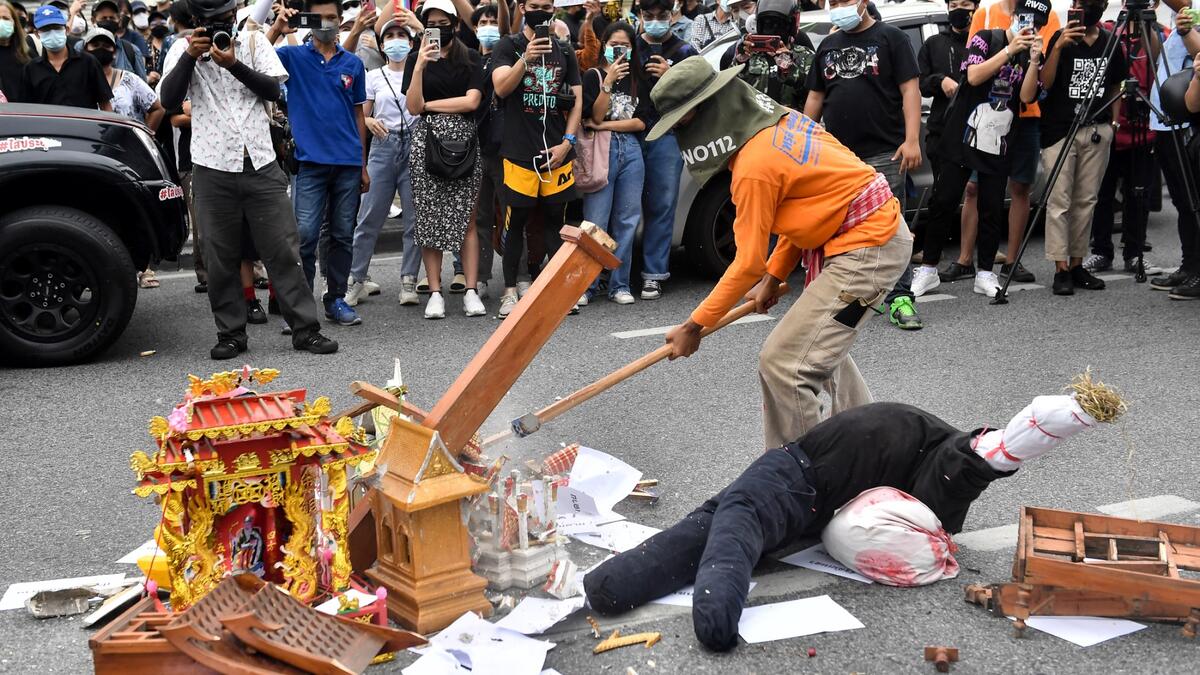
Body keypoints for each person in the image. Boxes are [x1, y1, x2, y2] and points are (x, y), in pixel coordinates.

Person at [584, 380, 1122, 651]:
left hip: (801, 485)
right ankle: (610, 587)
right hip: (801, 481)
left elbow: (988, 457)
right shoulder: (941, 466)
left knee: (732, 523)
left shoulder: (939, 479)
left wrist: (1052, 425)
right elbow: (987, 455)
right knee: (716, 526)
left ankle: (691, 608)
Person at [657, 58, 911, 448]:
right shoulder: (783, 120)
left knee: (785, 363)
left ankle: (801, 476)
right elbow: (807, 212)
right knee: (819, 349)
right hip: (867, 235)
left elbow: (746, 264)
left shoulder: (754, 166)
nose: (679, 134)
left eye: (682, 123)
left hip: (868, 245)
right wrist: (774, 278)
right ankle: (869, 446)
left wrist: (695, 327)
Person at [160, 0, 338, 359]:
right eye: (212, 22)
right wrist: (190, 58)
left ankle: (305, 330)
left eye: (226, 19)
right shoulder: (181, 50)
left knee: (284, 250)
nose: (222, 27)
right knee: (218, 257)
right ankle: (231, 334)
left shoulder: (255, 43)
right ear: (196, 22)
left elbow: (274, 91)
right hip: (211, 168)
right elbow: (168, 100)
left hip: (260, 162)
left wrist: (234, 64)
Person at [804, 0, 923, 329]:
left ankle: (900, 298)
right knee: (843, 230)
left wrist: (911, 140)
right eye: (835, 1)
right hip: (838, 158)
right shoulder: (828, 45)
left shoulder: (892, 38)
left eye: (846, 0)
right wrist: (801, 142)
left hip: (885, 152)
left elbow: (910, 90)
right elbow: (815, 97)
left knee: (890, 228)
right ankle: (851, 299)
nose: (840, 6)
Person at [912, 8, 1041, 299]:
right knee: (944, 200)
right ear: (1012, 19)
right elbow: (973, 75)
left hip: (999, 140)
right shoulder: (985, 38)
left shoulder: (1029, 54)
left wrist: (1033, 62)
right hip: (964, 134)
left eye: (1036, 24)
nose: (1029, 28)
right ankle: (929, 268)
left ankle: (985, 273)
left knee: (992, 206)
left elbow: (1027, 97)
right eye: (1025, 20)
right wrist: (1010, 50)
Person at [268, 0, 370, 328]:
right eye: (320, 17)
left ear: (341, 22)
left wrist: (363, 164)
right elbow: (256, 59)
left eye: (331, 17)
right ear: (310, 21)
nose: (326, 23)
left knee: (342, 235)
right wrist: (278, 29)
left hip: (348, 163)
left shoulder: (353, 64)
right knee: (306, 236)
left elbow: (359, 114)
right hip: (309, 162)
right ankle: (300, 308)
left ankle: (336, 299)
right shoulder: (293, 57)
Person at [491, 0, 583, 317]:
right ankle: (509, 291)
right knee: (515, 222)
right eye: (534, 5)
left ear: (554, 8)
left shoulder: (565, 51)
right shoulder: (509, 45)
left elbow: (577, 102)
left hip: (556, 153)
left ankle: (558, 292)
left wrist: (567, 144)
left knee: (556, 222)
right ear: (522, 7)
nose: (540, 10)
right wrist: (525, 59)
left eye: (546, 5)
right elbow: (501, 89)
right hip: (518, 152)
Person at [963, 0, 1060, 285]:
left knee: (1021, 186)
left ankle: (1012, 261)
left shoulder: (1047, 13)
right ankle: (964, 259)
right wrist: (1010, 48)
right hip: (987, 114)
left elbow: (1044, 74)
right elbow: (972, 69)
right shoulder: (986, 13)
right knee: (973, 187)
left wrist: (1040, 52)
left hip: (1027, 116)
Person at [405, 0, 487, 319]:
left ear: (454, 24)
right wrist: (421, 66)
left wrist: (431, 105)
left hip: (465, 143)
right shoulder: (416, 58)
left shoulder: (471, 57)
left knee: (466, 219)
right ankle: (435, 292)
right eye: (431, 23)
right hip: (425, 143)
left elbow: (472, 102)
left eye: (443, 22)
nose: (437, 28)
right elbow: (413, 107)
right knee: (429, 218)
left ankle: (470, 290)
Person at [1038, 0, 1125, 296]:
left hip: (1097, 130)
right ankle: (1060, 268)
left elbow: (1116, 84)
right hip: (1060, 130)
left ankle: (1077, 264)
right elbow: (1045, 82)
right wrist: (1060, 45)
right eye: (1079, 3)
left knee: (1086, 201)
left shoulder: (1111, 42)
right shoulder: (1060, 37)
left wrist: (1112, 124)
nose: (1085, 8)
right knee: (1059, 202)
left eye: (1091, 3)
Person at [346, 16, 423, 308]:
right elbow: (360, 116)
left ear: (411, 42)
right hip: (383, 146)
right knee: (368, 218)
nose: (395, 41)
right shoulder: (373, 75)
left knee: (413, 220)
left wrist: (416, 24)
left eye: (400, 35)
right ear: (381, 45)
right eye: (388, 36)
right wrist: (368, 119)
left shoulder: (420, 71)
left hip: (415, 144)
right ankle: (357, 279)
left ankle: (409, 281)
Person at [1084, 12, 1164, 278]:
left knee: (1137, 195)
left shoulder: (1158, 33)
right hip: (1111, 125)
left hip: (1143, 128)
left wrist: (1145, 24)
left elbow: (1156, 61)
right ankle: (1101, 251)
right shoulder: (1110, 29)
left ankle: (1134, 253)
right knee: (1102, 194)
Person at [581, 21, 648, 305]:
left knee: (627, 220)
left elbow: (640, 121)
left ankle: (619, 285)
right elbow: (593, 117)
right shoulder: (593, 76)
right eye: (614, 45)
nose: (620, 51)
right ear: (604, 46)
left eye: (626, 46)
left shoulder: (638, 79)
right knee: (596, 220)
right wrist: (607, 83)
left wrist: (606, 126)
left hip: (631, 150)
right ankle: (587, 285)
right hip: (601, 151)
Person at [637, 0, 698, 301]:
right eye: (649, 17)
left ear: (673, 16)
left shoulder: (686, 52)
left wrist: (670, 76)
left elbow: (699, 98)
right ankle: (613, 274)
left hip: (668, 136)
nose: (656, 22)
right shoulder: (627, 45)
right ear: (640, 16)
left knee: (662, 204)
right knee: (621, 209)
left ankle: (654, 274)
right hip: (627, 135)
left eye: (662, 16)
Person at [917, 0, 977, 283]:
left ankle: (974, 261)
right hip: (942, 130)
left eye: (965, 3)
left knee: (980, 194)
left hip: (979, 128)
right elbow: (920, 81)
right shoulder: (934, 43)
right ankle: (930, 264)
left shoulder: (985, 39)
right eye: (954, 3)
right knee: (944, 198)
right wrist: (940, 80)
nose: (959, 9)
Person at [1155, 8, 1200, 298]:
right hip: (1171, 121)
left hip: (1188, 125)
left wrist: (1186, 32)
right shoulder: (1181, 19)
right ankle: (1190, 266)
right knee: (1185, 202)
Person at [719, 0, 815, 111]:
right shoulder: (748, 54)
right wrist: (740, 61)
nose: (772, 29)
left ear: (790, 26)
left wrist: (789, 70)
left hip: (790, 124)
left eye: (778, 24)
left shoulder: (805, 57)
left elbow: (815, 96)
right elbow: (728, 93)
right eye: (766, 24)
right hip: (755, 125)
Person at [19, 5, 112, 108]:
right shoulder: (31, 69)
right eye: (46, 29)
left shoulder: (88, 62)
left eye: (56, 28)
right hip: (46, 124)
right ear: (37, 34)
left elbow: (105, 104)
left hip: (84, 124)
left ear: (67, 30)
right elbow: (27, 109)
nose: (52, 33)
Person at [82, 0, 148, 79]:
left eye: (112, 18)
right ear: (93, 20)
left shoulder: (132, 51)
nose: (108, 21)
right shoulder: (80, 48)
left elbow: (142, 85)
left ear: (119, 20)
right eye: (104, 18)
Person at [0, 0, 33, 100]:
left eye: (5, 18)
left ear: (14, 23)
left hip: (22, 112)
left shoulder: (27, 54)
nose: (1, 22)